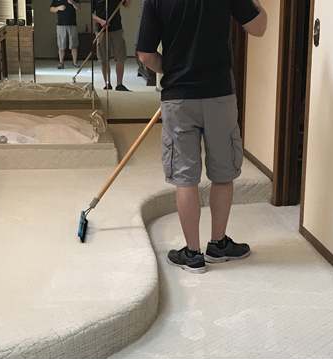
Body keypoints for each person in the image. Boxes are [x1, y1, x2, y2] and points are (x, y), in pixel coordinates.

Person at [136, 0, 267, 274]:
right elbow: (259, 27)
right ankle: (218, 245)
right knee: (223, 173)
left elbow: (146, 55)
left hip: (178, 97)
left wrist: (174, 68)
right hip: (219, 95)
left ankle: (192, 253)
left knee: (185, 177)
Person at [92, 0, 132, 91]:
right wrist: (100, 21)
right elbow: (91, 14)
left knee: (120, 56)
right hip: (101, 30)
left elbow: (127, 5)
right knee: (104, 58)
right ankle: (107, 84)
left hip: (117, 29)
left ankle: (119, 84)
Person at [50, 0, 81, 69]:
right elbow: (51, 9)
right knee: (61, 44)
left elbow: (79, 7)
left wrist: (73, 3)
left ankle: (75, 63)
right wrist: (58, 8)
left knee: (74, 44)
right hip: (61, 24)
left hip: (72, 24)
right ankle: (61, 63)